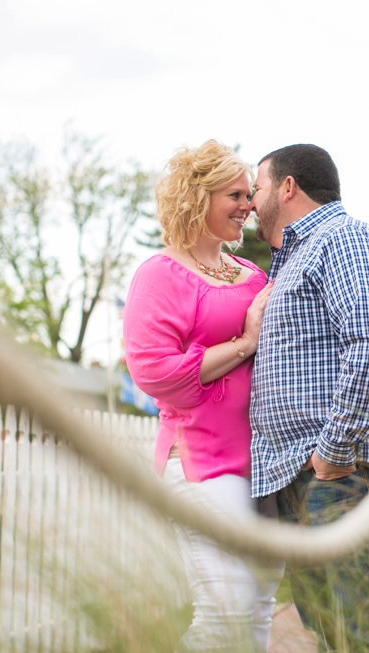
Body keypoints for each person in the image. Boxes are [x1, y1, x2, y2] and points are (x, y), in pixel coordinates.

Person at [248, 144, 369, 651]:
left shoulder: (344, 240)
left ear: (288, 187)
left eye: (256, 188)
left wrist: (334, 451)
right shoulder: (291, 260)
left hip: (342, 475)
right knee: (334, 632)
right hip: (304, 476)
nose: (252, 201)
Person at [122, 140, 280, 652]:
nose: (249, 205)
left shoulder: (254, 276)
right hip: (200, 458)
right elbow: (153, 371)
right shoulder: (160, 274)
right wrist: (245, 344)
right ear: (198, 197)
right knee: (225, 608)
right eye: (235, 194)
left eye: (250, 194)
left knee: (257, 609)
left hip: (264, 461)